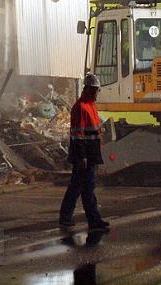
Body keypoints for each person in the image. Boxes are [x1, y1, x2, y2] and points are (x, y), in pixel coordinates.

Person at [59, 73, 110, 230]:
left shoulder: (91, 107)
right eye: (95, 90)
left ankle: (66, 216)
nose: (96, 93)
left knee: (77, 186)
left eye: (97, 90)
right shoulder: (80, 107)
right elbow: (77, 133)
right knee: (87, 187)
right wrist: (82, 156)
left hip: (91, 154)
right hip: (84, 155)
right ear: (87, 89)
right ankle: (93, 220)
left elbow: (92, 129)